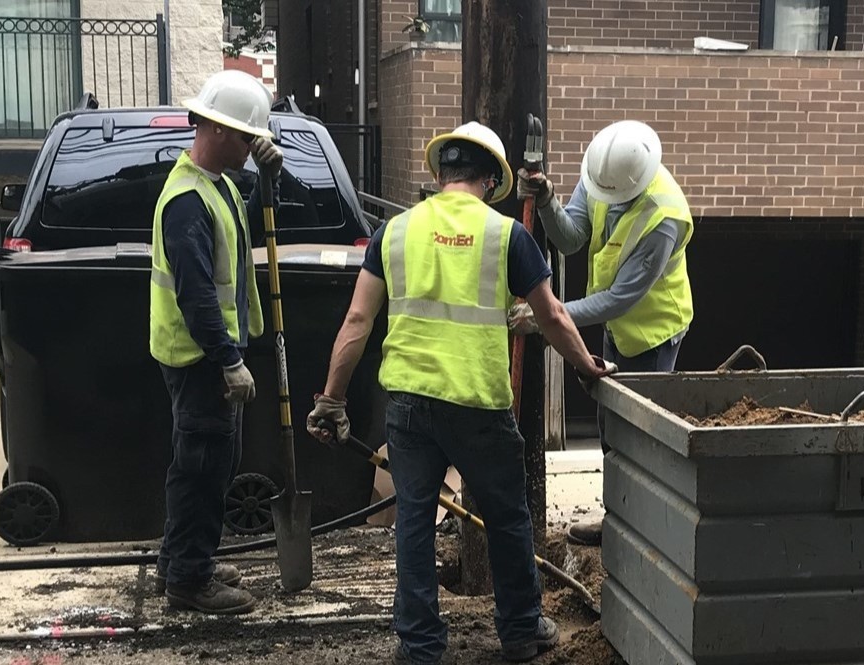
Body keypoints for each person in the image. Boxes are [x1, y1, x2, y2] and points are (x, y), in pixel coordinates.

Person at [304, 122, 615, 664]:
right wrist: (588, 368)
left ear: (440, 174)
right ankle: (520, 630)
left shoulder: (395, 232)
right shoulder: (504, 235)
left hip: (409, 407)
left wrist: (331, 400)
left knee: (415, 523)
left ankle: (421, 646)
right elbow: (554, 316)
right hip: (478, 406)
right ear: (492, 180)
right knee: (508, 519)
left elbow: (357, 319)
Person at [513, 120, 693, 547]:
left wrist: (545, 314)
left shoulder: (663, 218)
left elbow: (619, 299)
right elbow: (571, 238)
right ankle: (617, 519)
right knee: (610, 429)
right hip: (618, 328)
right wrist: (546, 201)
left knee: (642, 438)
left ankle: (641, 531)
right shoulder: (602, 175)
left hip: (652, 334)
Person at [147, 69, 284, 615]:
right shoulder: (186, 201)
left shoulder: (217, 186)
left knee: (200, 464)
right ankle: (189, 580)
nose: (256, 147)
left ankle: (180, 558)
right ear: (224, 131)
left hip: (207, 356)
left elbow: (241, 235)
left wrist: (269, 184)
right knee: (204, 467)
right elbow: (197, 293)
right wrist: (229, 361)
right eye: (251, 137)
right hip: (201, 359)